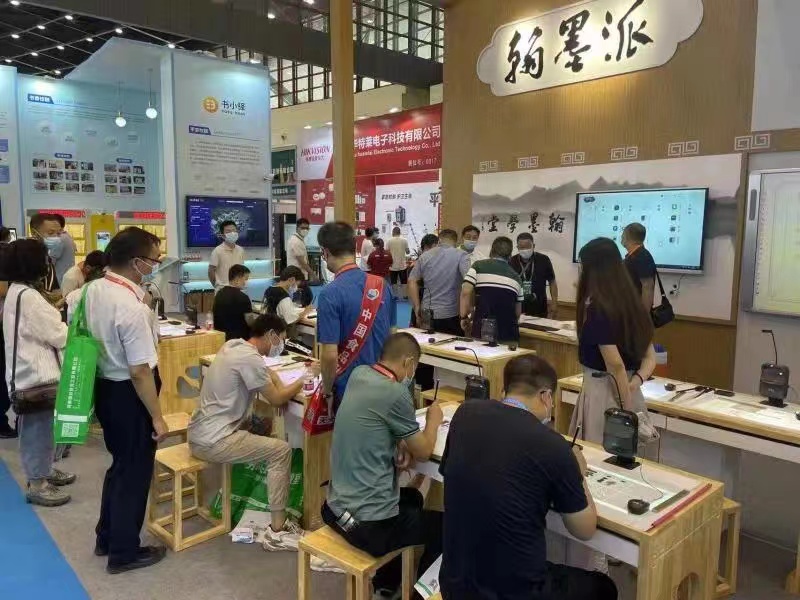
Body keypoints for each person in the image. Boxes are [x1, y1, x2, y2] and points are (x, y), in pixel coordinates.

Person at [440, 355, 617, 600]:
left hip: (455, 583)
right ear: (546, 396)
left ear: (504, 391)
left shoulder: (465, 414)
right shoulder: (553, 445)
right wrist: (578, 471)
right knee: (603, 587)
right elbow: (585, 528)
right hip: (517, 592)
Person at [322, 332, 443, 597]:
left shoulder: (359, 375)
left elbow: (375, 423)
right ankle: (418, 594)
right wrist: (434, 419)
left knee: (412, 499)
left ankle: (387, 583)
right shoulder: (395, 393)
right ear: (409, 363)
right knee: (448, 528)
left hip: (334, 509)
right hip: (369, 525)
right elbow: (423, 452)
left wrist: (398, 443)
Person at [189, 314, 319, 549]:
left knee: (263, 430)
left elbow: (269, 375)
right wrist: (306, 377)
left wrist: (277, 381)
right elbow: (277, 399)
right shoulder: (251, 359)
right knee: (280, 451)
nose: (281, 344)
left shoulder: (233, 346)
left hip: (199, 432)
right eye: (281, 338)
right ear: (270, 335)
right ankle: (277, 530)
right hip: (215, 440)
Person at [84, 226, 168, 574]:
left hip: (105, 387)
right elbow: (140, 372)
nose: (156, 266)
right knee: (135, 472)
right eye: (154, 260)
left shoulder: (92, 289)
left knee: (120, 466)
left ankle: (106, 536)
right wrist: (157, 416)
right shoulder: (129, 307)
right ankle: (123, 551)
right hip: (130, 395)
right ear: (136, 262)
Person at [2, 239, 74, 506]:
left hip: (27, 372)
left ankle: (44, 470)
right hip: (35, 377)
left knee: (43, 429)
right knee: (37, 432)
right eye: (45, 258)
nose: (48, 263)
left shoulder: (17, 291)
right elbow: (58, 334)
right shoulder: (29, 297)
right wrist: (70, 326)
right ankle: (37, 483)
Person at [571, 237, 657, 444]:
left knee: (598, 453)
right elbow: (650, 358)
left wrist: (625, 409)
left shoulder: (599, 309)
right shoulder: (634, 305)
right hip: (631, 391)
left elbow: (615, 365)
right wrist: (634, 384)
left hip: (605, 394)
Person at [317, 221, 396, 410]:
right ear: (354, 248)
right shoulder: (382, 285)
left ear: (325, 252)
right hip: (383, 383)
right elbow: (393, 335)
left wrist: (327, 391)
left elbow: (329, 355)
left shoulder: (330, 293)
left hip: (348, 390)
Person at [461, 236, 523, 343]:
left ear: (491, 251)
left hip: (482, 330)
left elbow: (465, 292)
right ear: (510, 255)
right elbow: (517, 312)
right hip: (509, 333)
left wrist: (464, 317)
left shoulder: (478, 266)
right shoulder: (517, 277)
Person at [409, 229, 470, 336]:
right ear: (456, 241)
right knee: (451, 344)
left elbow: (411, 281)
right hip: (451, 312)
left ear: (439, 240)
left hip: (427, 311)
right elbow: (468, 282)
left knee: (427, 343)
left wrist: (417, 307)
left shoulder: (425, 256)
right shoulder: (462, 255)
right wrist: (466, 312)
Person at [509, 232, 559, 318]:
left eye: (528, 247)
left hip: (539, 307)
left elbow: (552, 281)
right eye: (521, 247)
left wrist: (554, 302)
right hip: (518, 307)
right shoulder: (512, 261)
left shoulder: (543, 259)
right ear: (517, 247)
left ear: (534, 246)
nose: (525, 250)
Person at [212, 264, 254, 341]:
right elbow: (250, 322)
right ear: (237, 279)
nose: (246, 282)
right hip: (240, 340)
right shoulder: (243, 297)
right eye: (246, 279)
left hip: (221, 338)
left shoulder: (219, 294)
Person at [622, 222, 657, 311]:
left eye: (623, 233)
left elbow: (648, 286)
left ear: (627, 236)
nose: (621, 236)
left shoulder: (642, 256)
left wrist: (643, 315)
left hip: (635, 311)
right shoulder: (633, 255)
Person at [408, 233, 439, 329]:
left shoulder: (439, 264)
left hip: (439, 307)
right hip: (422, 305)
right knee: (420, 332)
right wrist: (417, 307)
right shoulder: (417, 265)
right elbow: (412, 287)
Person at [29, 213, 61, 295]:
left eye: (58, 233)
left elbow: (55, 290)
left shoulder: (46, 259)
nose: (56, 237)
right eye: (50, 233)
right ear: (34, 233)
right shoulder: (24, 259)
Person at [209, 220, 245, 292]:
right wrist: (217, 286)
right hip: (223, 290)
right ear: (223, 235)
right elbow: (211, 271)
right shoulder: (217, 251)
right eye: (228, 231)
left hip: (238, 289)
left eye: (234, 230)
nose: (232, 233)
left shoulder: (241, 250)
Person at [51, 213, 77, 285]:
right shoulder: (67, 237)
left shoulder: (60, 239)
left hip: (60, 281)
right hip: (67, 279)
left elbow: (50, 263)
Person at [386, 226, 410, 299]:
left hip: (392, 265)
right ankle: (405, 295)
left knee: (394, 281)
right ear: (400, 232)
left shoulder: (389, 241)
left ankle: (395, 296)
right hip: (402, 265)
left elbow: (387, 252)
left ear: (393, 232)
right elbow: (408, 252)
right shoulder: (405, 240)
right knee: (404, 281)